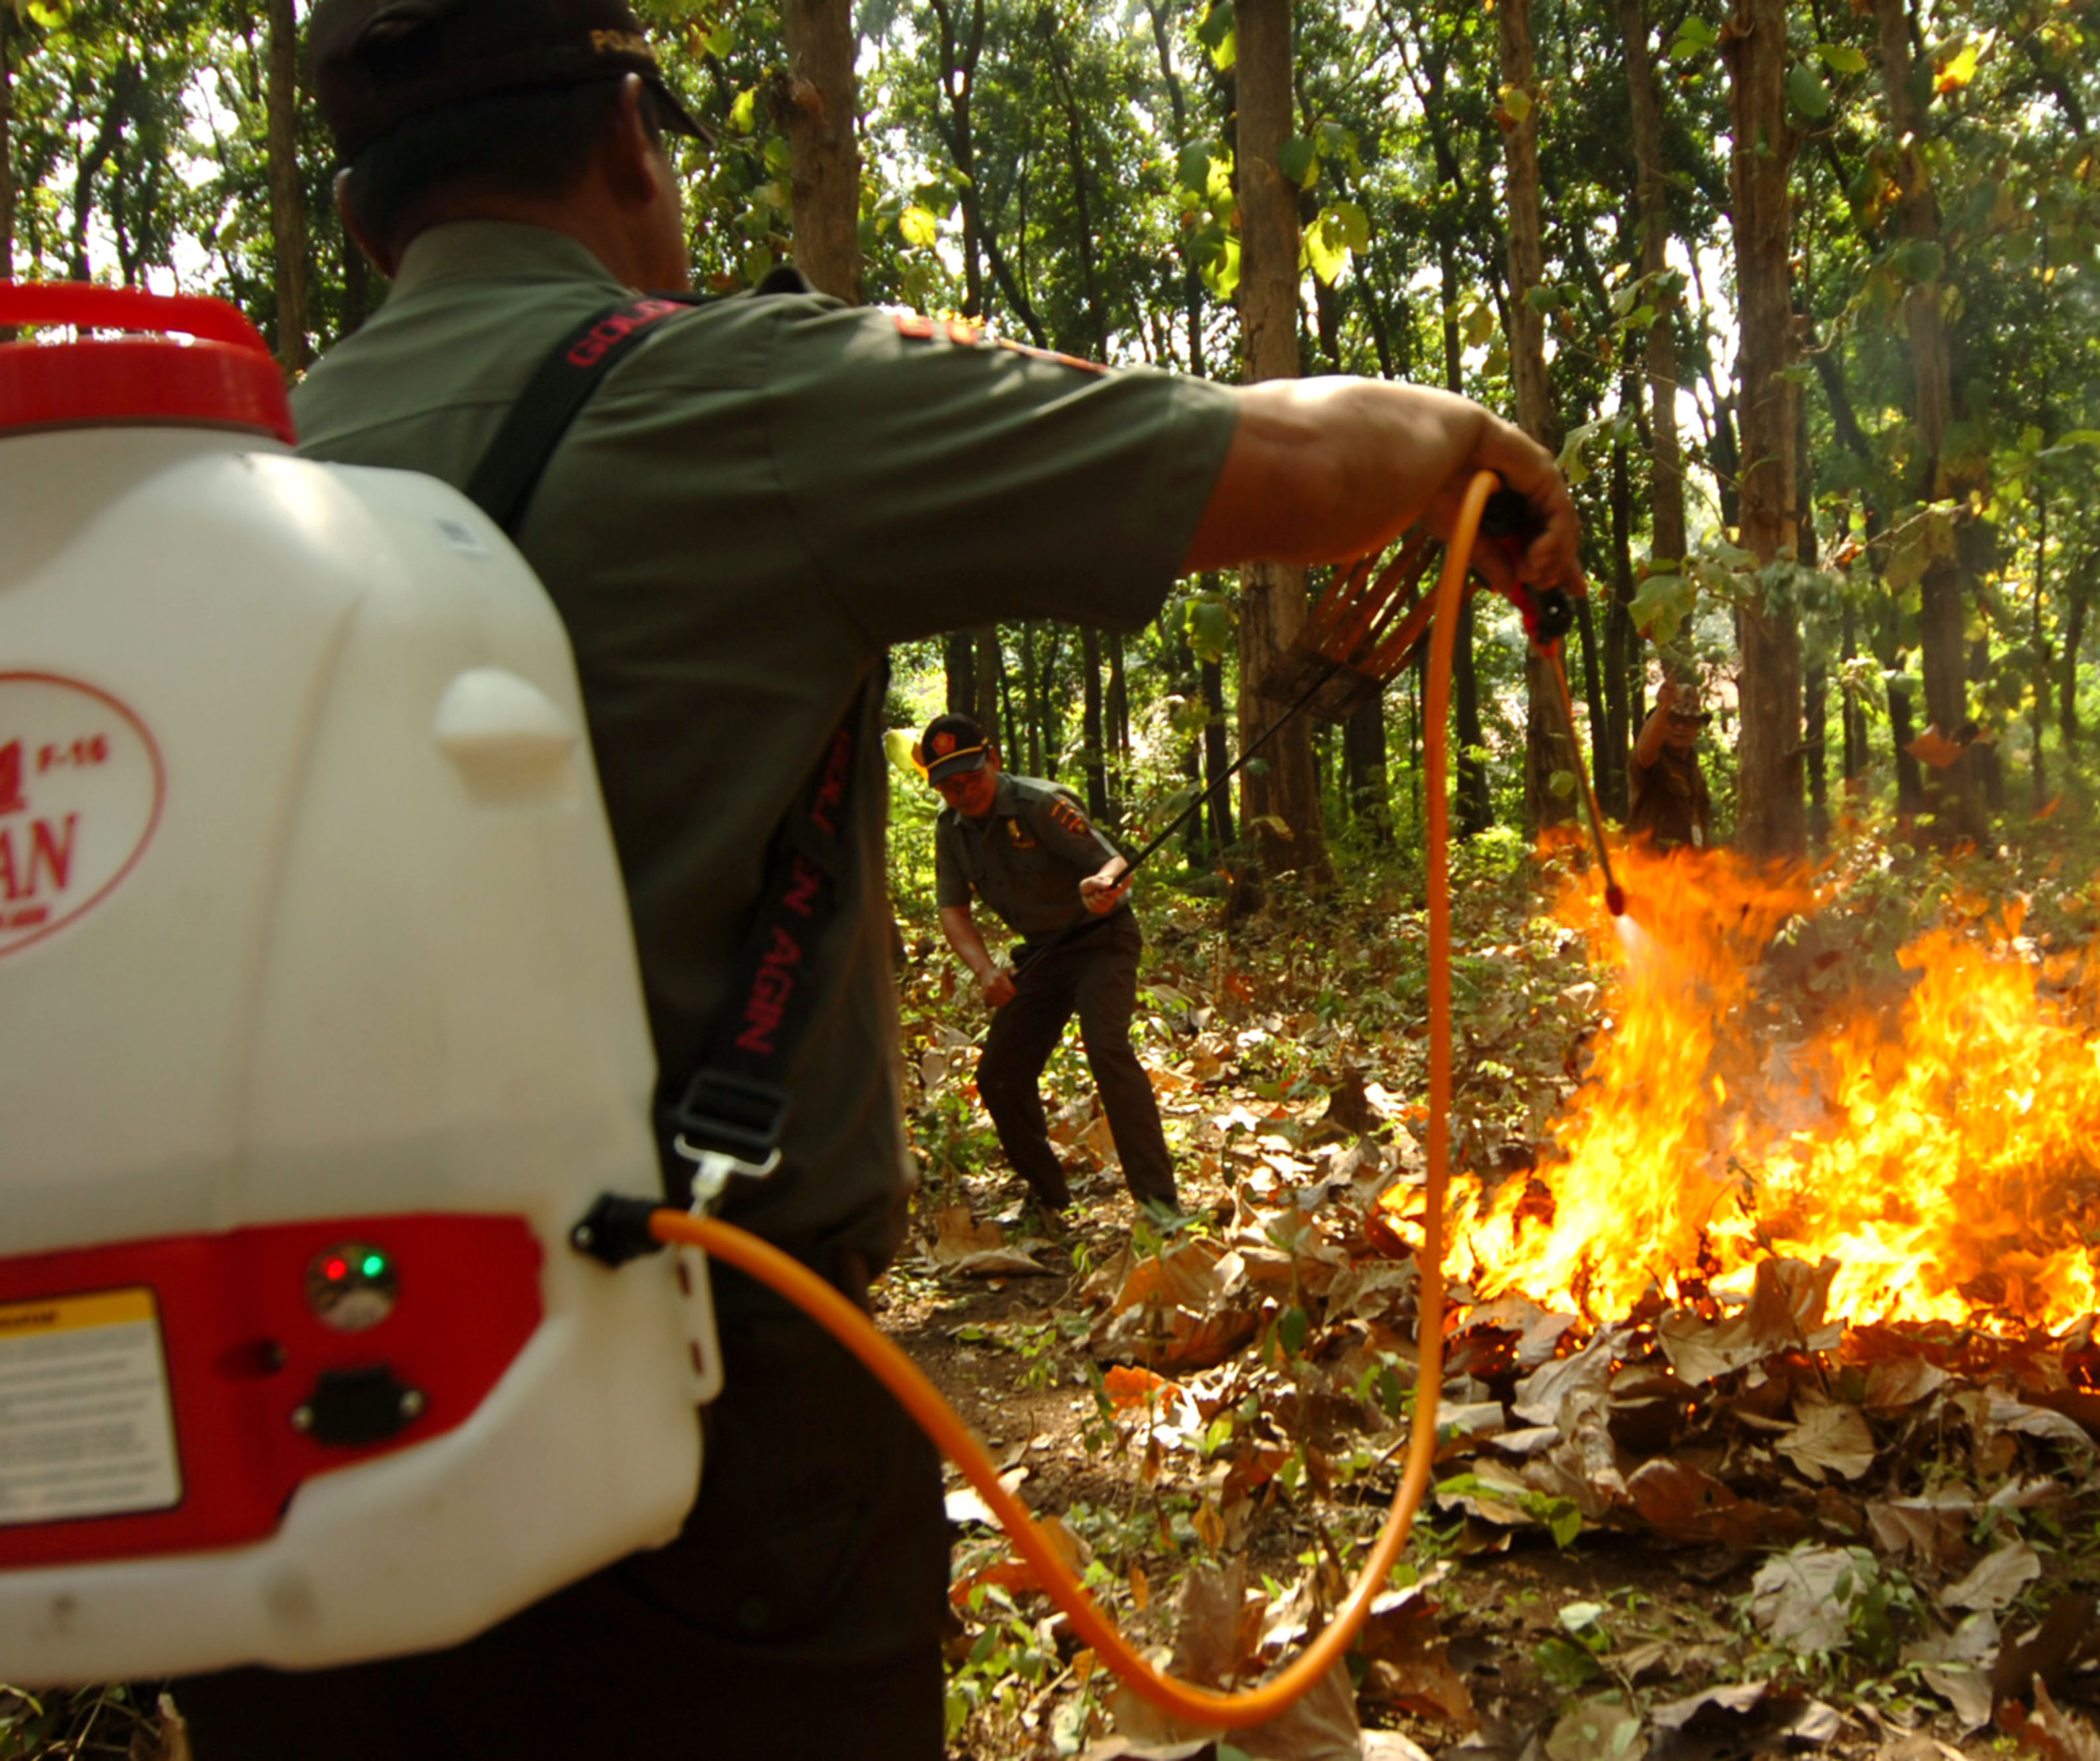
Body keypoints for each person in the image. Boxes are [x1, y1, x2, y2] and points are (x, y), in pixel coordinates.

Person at [166, 2, 1583, 1756]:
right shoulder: (738, 388)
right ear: (627, 139)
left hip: (276, 1433)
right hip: (708, 1405)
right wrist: (1466, 436)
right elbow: (1286, 465)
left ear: (363, 216)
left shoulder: (221, 480)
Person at [921, 714, 1180, 1232]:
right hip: (1042, 954)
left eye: (972, 777)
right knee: (999, 1074)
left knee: (1106, 1047)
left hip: (1101, 940)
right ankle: (1049, 1197)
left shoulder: (1040, 803)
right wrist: (985, 970)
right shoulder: (951, 831)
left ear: (994, 760)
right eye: (950, 786)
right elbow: (953, 910)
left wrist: (1100, 887)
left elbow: (1116, 865)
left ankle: (1160, 1205)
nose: (965, 792)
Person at [1626, 682, 1712, 851]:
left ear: (1697, 727)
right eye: (1673, 720)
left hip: (1689, 863)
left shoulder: (1696, 774)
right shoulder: (1653, 762)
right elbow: (1644, 753)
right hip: (1651, 864)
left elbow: (1701, 824)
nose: (1681, 728)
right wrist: (1663, 709)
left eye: (1689, 722)